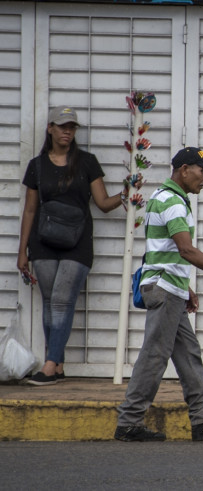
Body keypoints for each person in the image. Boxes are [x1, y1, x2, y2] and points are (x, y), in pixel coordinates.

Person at [114, 147, 203, 442]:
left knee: (188, 354)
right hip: (164, 289)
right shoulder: (173, 202)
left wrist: (184, 286)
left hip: (169, 287)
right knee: (154, 356)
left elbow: (160, 250)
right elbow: (185, 250)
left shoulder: (163, 198)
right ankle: (128, 422)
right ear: (185, 169)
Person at [17, 106, 134, 386]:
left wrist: (127, 193)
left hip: (77, 242)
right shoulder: (37, 165)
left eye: (71, 127)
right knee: (49, 302)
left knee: (60, 301)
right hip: (43, 241)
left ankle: (48, 364)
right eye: (61, 126)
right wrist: (22, 251)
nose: (67, 131)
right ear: (50, 129)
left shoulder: (87, 162)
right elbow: (30, 210)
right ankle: (57, 365)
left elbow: (104, 204)